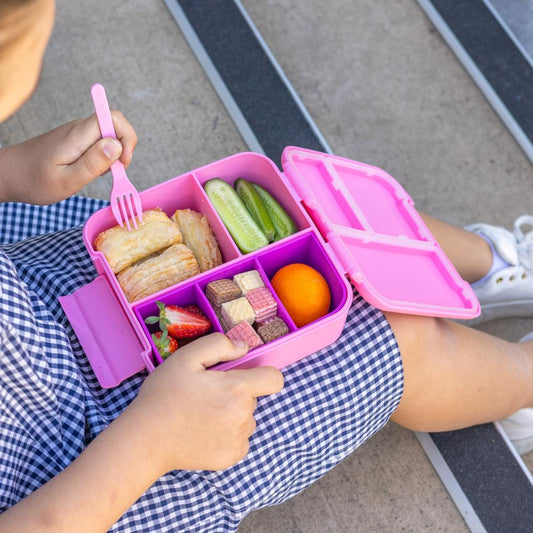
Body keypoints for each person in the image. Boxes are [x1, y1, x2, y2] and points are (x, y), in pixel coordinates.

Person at [0, 0, 531, 531]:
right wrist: (155, 440)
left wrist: (13, 171)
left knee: (320, 213)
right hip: (94, 468)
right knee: (400, 336)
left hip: (30, 290)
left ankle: (493, 267)